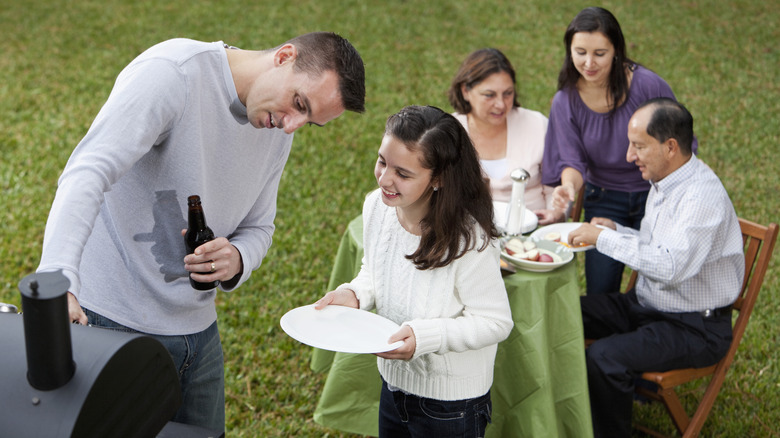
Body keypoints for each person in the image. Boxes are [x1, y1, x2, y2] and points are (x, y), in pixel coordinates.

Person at [36, 32, 365, 433]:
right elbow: (89, 171)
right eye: (299, 104)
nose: (293, 126)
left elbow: (260, 226)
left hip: (198, 336)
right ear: (284, 57)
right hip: (111, 323)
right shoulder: (173, 73)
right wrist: (58, 279)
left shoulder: (277, 129)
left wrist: (238, 257)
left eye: (308, 121)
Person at [313, 106, 513, 437]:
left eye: (403, 174)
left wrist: (424, 338)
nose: (384, 179)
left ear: (438, 179)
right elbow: (374, 273)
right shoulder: (377, 205)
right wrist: (354, 294)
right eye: (382, 161)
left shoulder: (469, 238)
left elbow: (496, 322)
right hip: (393, 384)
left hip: (452, 404)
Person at [567, 98, 743, 437]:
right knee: (561, 310)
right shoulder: (667, 179)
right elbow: (660, 248)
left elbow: (671, 266)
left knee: (604, 358)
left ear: (670, 147)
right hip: (647, 304)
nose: (629, 156)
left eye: (638, 146)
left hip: (694, 327)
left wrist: (603, 241)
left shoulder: (700, 197)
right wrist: (618, 232)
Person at [541, 7, 697, 295]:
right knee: (601, 291)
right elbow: (573, 161)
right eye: (580, 52)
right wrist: (568, 187)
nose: (589, 63)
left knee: (665, 285)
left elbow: (680, 143)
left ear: (616, 50)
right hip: (603, 199)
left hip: (656, 194)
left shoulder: (647, 85)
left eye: (600, 53)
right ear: (569, 51)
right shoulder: (565, 101)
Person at [448, 48, 560, 224]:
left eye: (507, 93)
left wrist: (555, 213)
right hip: (468, 235)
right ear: (465, 91)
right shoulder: (450, 132)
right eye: (489, 95)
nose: (500, 104)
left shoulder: (537, 125)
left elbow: (554, 188)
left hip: (531, 234)